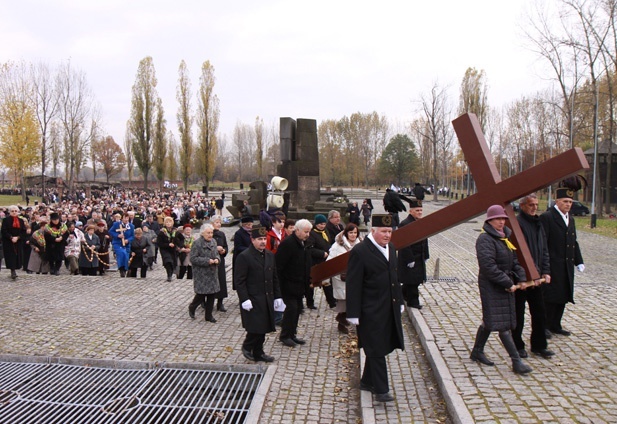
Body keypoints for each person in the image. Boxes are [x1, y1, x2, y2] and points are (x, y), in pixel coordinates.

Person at [346, 214, 405, 402]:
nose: (388, 235)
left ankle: (366, 381)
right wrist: (353, 313)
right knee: (377, 348)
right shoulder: (361, 251)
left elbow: (395, 279)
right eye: (384, 231)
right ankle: (381, 390)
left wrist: (400, 301)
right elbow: (353, 284)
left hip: (388, 307)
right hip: (369, 309)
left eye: (390, 232)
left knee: (380, 345)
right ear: (373, 231)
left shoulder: (392, 248)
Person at [470, 205, 532, 375]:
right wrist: (507, 282)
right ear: (489, 220)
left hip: (505, 285)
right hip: (491, 286)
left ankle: (477, 351)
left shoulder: (504, 238)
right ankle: (516, 361)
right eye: (497, 219)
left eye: (503, 219)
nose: (501, 221)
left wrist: (521, 278)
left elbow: (514, 262)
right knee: (502, 324)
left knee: (491, 320)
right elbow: (488, 267)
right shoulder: (485, 240)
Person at [540, 187, 584, 337]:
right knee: (550, 297)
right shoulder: (547, 217)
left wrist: (579, 261)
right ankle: (544, 326)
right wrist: (543, 265)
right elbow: (543, 242)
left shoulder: (570, 218)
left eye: (570, 202)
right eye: (565, 201)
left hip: (566, 264)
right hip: (552, 264)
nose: (568, 204)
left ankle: (555, 324)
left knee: (564, 295)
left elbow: (573, 241)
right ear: (557, 201)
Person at [235, 226, 284, 362]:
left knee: (264, 326)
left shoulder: (269, 255)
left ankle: (259, 352)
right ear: (252, 240)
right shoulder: (244, 256)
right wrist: (244, 299)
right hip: (253, 298)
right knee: (256, 326)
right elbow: (239, 281)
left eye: (264, 239)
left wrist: (278, 296)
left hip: (267, 296)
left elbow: (274, 277)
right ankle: (248, 346)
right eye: (259, 239)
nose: (263, 241)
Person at [514, 194, 554, 358]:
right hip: (521, 279)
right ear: (522, 205)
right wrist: (522, 277)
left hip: (537, 278)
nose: (534, 207)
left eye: (536, 205)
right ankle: (517, 346)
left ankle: (539, 345)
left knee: (539, 312)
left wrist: (545, 271)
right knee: (518, 314)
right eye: (531, 205)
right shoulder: (516, 224)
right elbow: (516, 254)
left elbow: (544, 250)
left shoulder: (538, 224)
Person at [276, 219, 313, 348]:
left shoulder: (304, 243)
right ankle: (285, 335)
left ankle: (292, 334)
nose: (308, 234)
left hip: (300, 283)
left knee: (297, 309)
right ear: (297, 230)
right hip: (288, 284)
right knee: (291, 309)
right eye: (306, 232)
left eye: (309, 232)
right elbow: (279, 266)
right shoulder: (288, 244)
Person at [328, 223, 362, 334]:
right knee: (344, 301)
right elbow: (330, 261)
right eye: (351, 232)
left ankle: (349, 319)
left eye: (355, 233)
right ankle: (341, 322)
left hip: (356, 276)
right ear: (346, 233)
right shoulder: (338, 246)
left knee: (355, 299)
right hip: (342, 277)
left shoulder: (361, 245)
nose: (353, 235)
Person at [398, 199, 429, 309]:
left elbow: (425, 240)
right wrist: (409, 259)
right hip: (410, 257)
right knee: (412, 281)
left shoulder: (422, 222)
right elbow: (404, 243)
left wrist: (426, 255)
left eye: (421, 210)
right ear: (411, 211)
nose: (420, 212)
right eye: (417, 210)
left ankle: (402, 294)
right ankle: (413, 301)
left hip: (419, 256)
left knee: (416, 280)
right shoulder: (404, 224)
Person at [188, 223, 221, 323]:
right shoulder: (197, 243)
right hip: (201, 273)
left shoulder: (214, 242)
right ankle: (192, 306)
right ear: (202, 233)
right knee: (201, 294)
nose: (210, 235)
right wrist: (207, 261)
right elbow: (193, 258)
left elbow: (216, 254)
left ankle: (209, 315)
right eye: (208, 233)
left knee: (212, 294)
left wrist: (217, 260)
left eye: (211, 233)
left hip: (212, 272)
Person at [308, 214, 337, 309]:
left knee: (327, 282)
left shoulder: (325, 231)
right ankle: (310, 302)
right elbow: (310, 249)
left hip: (326, 261)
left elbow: (329, 243)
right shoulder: (312, 234)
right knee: (312, 283)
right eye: (320, 224)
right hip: (315, 261)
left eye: (324, 224)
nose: (322, 226)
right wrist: (321, 253)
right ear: (316, 224)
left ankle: (332, 302)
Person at [1, 205, 28, 279]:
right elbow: (4, 231)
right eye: (12, 211)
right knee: (10, 256)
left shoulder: (21, 221)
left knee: (17, 256)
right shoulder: (6, 220)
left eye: (15, 211)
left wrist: (18, 237)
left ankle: (15, 268)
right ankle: (12, 271)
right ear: (10, 212)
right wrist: (11, 237)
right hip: (9, 241)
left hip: (18, 241)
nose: (14, 212)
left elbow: (23, 231)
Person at [211, 215, 229, 312]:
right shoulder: (208, 233)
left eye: (219, 222)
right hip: (211, 260)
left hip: (220, 261)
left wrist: (224, 251)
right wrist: (215, 248)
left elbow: (226, 246)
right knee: (210, 282)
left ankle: (220, 303)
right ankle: (206, 301)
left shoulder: (222, 234)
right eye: (217, 222)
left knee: (221, 281)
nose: (218, 224)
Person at [109, 213, 134, 277]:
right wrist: (117, 235)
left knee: (126, 257)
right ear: (122, 218)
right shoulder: (116, 224)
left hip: (126, 245)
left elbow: (132, 236)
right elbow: (111, 231)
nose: (126, 219)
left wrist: (128, 240)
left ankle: (125, 269)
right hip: (117, 243)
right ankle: (121, 269)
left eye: (127, 218)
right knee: (121, 253)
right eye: (125, 218)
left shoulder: (131, 226)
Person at [232, 216, 253, 289]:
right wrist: (250, 250)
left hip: (251, 257)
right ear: (244, 225)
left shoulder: (253, 232)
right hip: (241, 257)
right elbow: (238, 247)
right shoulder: (239, 233)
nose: (250, 226)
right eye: (248, 225)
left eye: (251, 224)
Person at [158, 216, 178, 282]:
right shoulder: (162, 232)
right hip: (164, 249)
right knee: (168, 261)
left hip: (173, 249)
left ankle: (171, 273)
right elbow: (159, 243)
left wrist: (176, 245)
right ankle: (169, 275)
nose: (168, 223)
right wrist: (168, 244)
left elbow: (180, 240)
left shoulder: (175, 231)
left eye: (170, 222)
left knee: (172, 262)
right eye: (167, 222)